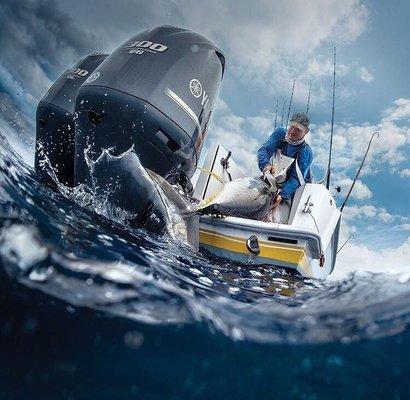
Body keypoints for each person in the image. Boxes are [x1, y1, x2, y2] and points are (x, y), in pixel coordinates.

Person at [257, 112, 313, 223]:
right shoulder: (280, 133)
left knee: (278, 214)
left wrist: (283, 195)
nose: (292, 131)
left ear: (305, 132)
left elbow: (296, 179)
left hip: (295, 186)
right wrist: (266, 166)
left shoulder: (306, 152)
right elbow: (264, 150)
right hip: (276, 178)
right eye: (292, 126)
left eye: (298, 129)